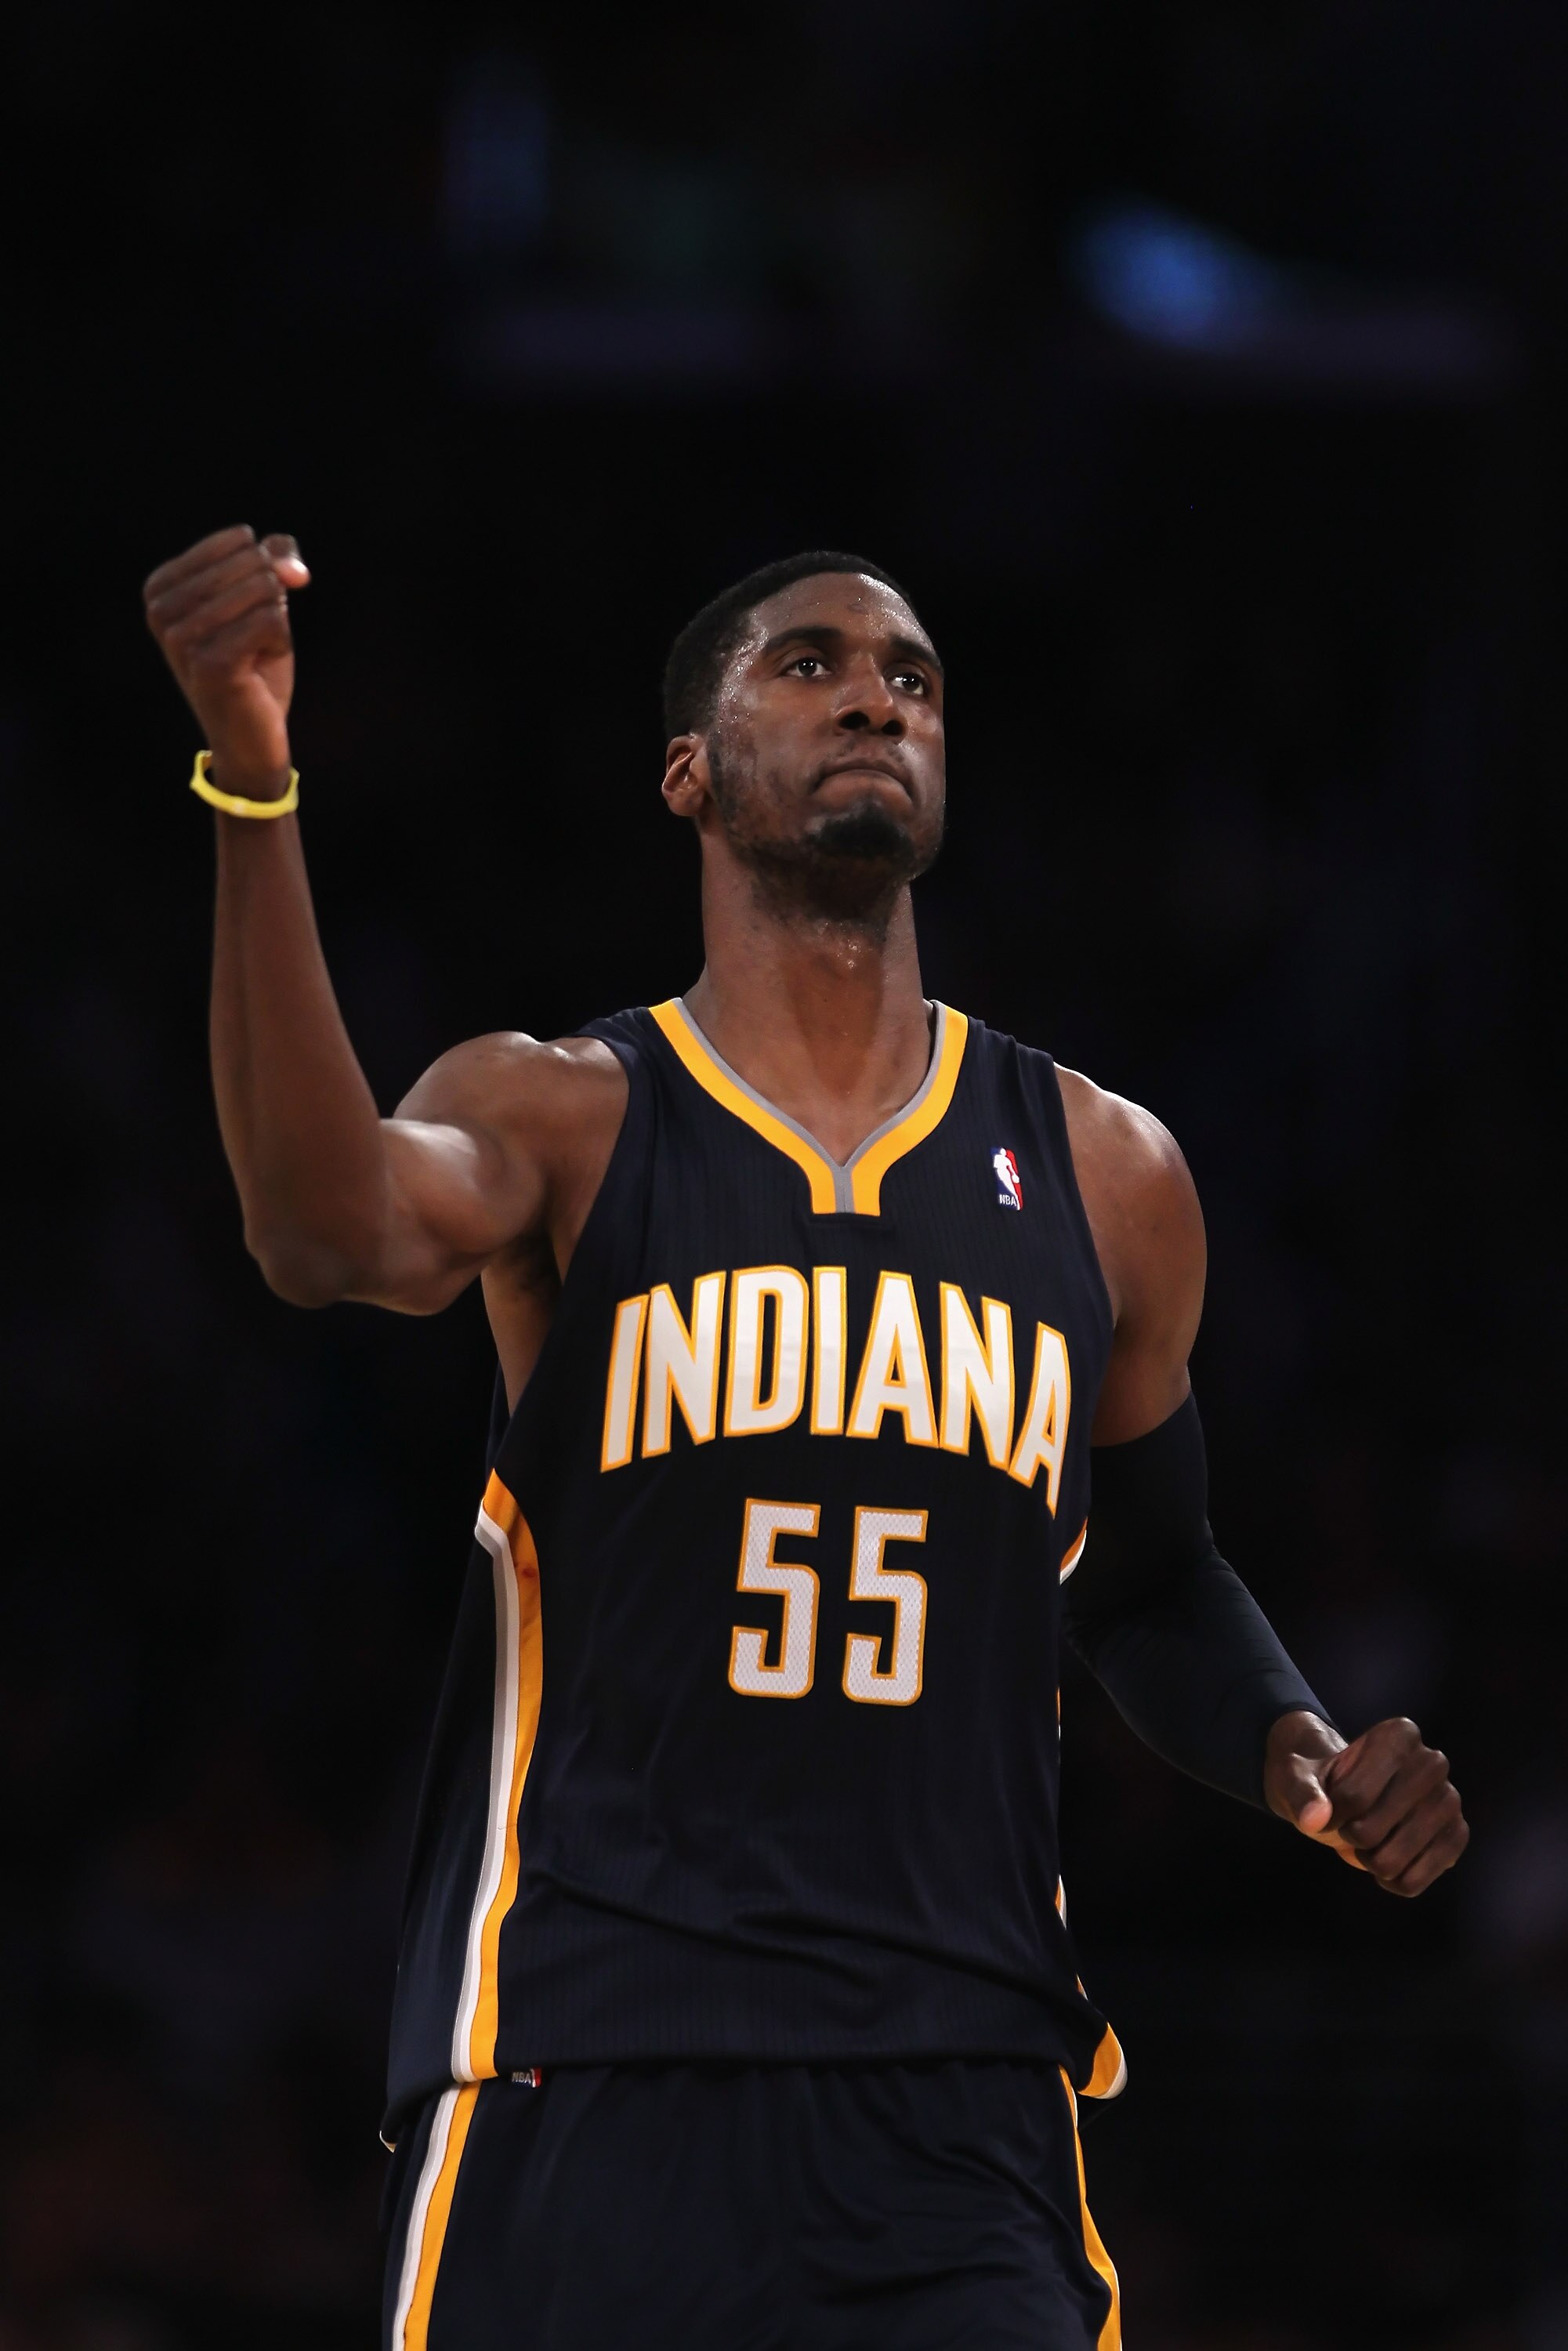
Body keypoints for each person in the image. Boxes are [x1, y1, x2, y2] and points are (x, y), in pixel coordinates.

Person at [143, 527, 1468, 2351]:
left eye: (911, 676)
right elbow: (311, 1225)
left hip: (966, 2109)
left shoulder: (1110, 1176)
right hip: (589, 2072)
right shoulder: (561, 1116)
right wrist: (253, 781)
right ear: (689, 773)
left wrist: (1298, 1755)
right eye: (810, 663)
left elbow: (1152, 1579)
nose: (872, 693)